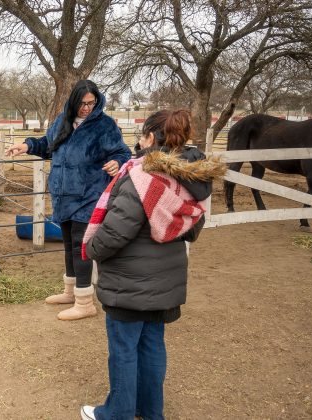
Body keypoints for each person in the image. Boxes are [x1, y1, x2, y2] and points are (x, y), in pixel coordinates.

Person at [81, 110, 225, 420]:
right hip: (165, 282)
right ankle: (150, 411)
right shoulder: (192, 177)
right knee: (152, 347)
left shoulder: (141, 176)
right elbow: (193, 227)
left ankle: (117, 414)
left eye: (142, 136)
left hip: (129, 283)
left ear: (150, 138)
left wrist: (92, 248)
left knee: (124, 350)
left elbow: (116, 231)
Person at [6, 79, 131, 321]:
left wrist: (117, 161)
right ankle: (71, 292)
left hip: (89, 193)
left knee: (80, 245)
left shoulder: (104, 126)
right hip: (63, 195)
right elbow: (47, 145)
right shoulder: (62, 121)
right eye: (83, 103)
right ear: (74, 102)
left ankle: (85, 302)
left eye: (91, 103)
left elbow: (122, 151)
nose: (87, 108)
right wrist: (26, 145)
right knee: (68, 243)